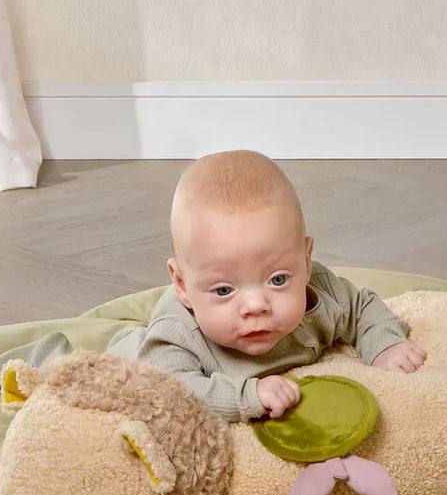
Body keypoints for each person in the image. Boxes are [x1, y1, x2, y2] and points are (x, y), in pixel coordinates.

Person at [104, 150, 427, 420]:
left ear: (305, 260)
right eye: (224, 290)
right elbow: (173, 392)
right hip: (129, 356)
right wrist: (249, 395)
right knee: (108, 377)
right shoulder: (176, 337)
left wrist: (385, 344)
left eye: (278, 279)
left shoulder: (321, 293)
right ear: (182, 285)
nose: (256, 305)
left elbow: (362, 307)